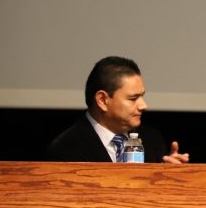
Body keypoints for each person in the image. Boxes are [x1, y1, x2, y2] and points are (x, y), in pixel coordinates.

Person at [46, 56, 189, 164]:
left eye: (142, 96)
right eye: (133, 98)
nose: (143, 105)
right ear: (102, 100)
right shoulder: (66, 149)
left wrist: (169, 175)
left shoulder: (152, 141)